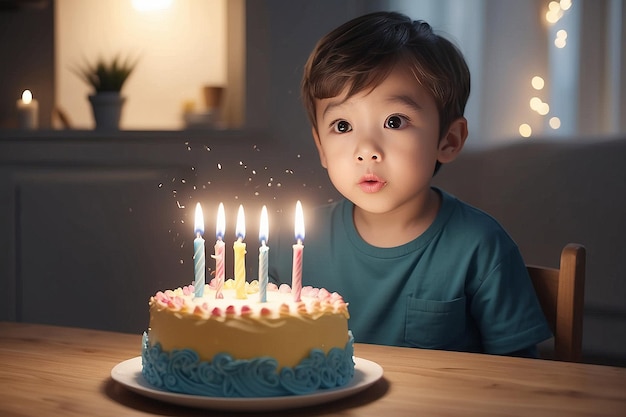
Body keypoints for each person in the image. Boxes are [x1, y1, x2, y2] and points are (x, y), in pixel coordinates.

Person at [269, 11, 552, 357]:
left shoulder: (481, 248)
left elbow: (522, 379)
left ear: (448, 140)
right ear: (321, 147)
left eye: (394, 121)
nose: (366, 151)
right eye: (342, 126)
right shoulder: (290, 244)